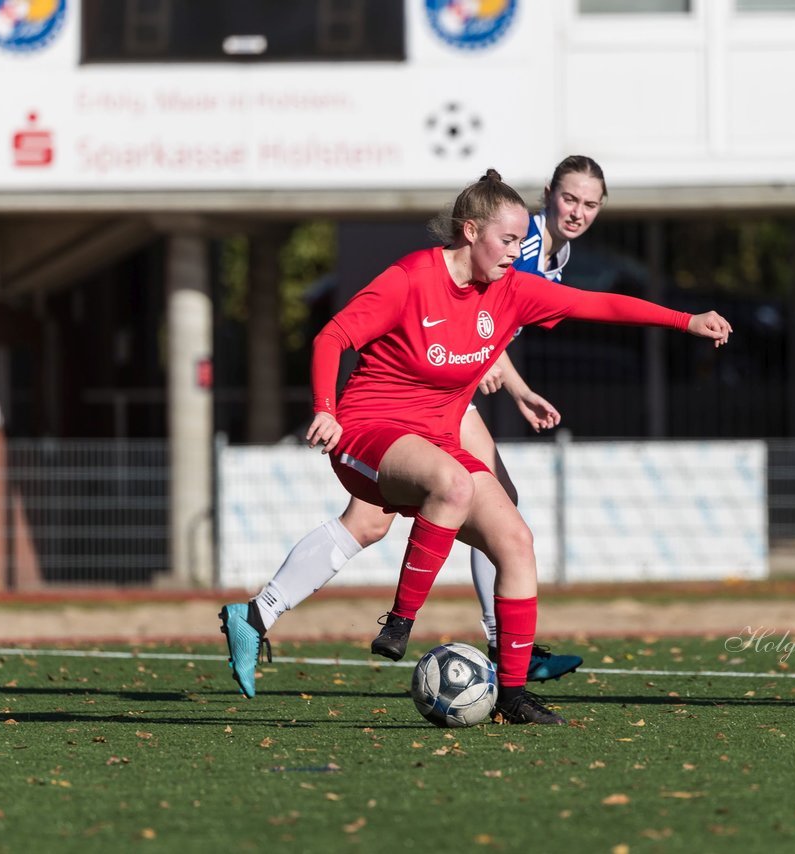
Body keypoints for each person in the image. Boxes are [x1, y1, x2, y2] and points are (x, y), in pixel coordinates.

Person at [230, 169, 731, 724]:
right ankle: (398, 622)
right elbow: (333, 337)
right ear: (470, 232)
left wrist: (687, 320)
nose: (517, 253)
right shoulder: (411, 277)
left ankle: (513, 695)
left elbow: (600, 305)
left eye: (521, 242)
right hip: (368, 429)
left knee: (514, 538)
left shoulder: (511, 289)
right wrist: (324, 407)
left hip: (438, 431)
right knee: (451, 484)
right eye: (509, 241)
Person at [220, 157, 608, 697]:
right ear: (549, 194)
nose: (578, 212)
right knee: (470, 496)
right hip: (425, 391)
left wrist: (516, 388)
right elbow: (475, 312)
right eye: (570, 198)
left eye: (591, 204)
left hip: (447, 384)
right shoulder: (519, 239)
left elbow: (494, 326)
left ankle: (257, 615)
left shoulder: (551, 253)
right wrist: (328, 406)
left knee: (382, 519)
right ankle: (494, 640)